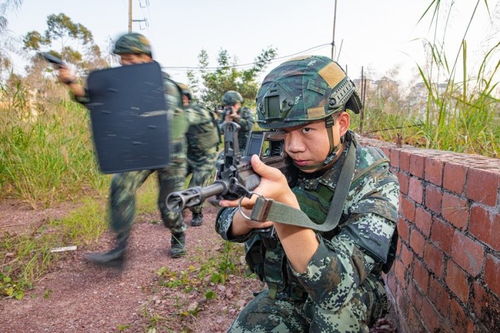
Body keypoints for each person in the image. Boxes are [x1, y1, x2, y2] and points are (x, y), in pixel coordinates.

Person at [215, 55, 399, 332]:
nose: (294, 147)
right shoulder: (277, 160)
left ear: (342, 124)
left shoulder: (373, 178)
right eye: (284, 133)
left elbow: (335, 289)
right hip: (287, 292)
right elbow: (224, 222)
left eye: (307, 129)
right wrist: (247, 217)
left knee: (334, 321)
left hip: (350, 294)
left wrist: (283, 208)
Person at [58, 32, 189, 261]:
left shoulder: (165, 85)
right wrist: (71, 82)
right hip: (140, 148)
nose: (125, 63)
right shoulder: (122, 86)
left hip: (171, 154)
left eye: (131, 58)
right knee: (121, 185)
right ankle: (119, 248)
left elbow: (160, 119)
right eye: (122, 58)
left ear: (146, 57)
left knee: (168, 207)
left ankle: (178, 233)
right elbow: (94, 102)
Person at [179, 83, 219, 226]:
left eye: (182, 97)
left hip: (205, 158)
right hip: (189, 156)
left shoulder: (198, 111)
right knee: (172, 181)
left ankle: (197, 212)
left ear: (187, 97)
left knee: (194, 188)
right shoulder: (178, 111)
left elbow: (186, 118)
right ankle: (178, 208)